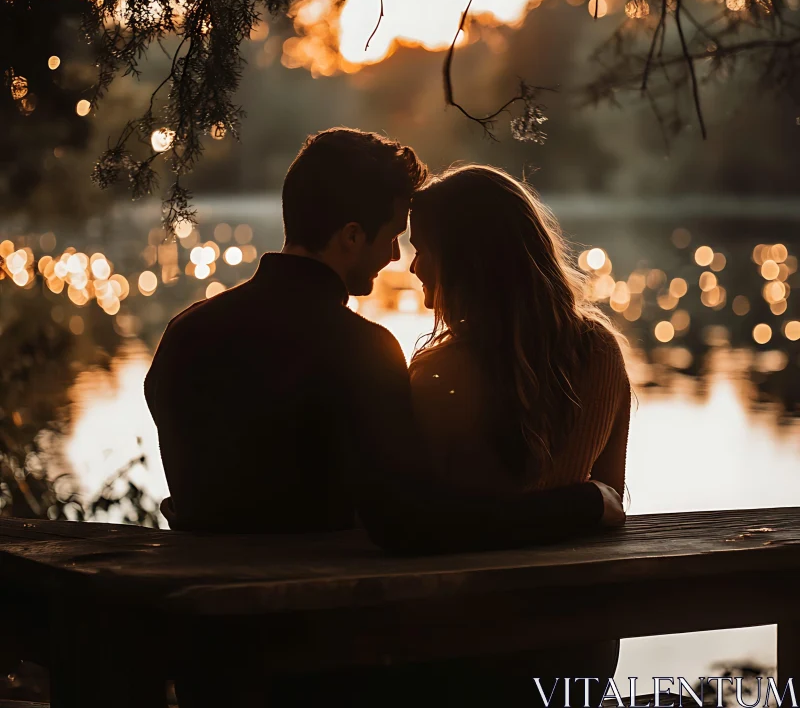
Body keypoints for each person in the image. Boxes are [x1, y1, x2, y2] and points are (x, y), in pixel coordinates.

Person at [147, 128, 625, 551]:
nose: (398, 257)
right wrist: (581, 503)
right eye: (394, 237)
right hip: (319, 623)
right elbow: (415, 523)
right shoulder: (359, 349)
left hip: (201, 628)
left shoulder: (185, 332)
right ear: (352, 236)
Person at [406, 164, 632, 705]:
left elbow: (438, 522)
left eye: (423, 249)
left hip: (473, 643)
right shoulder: (601, 352)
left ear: (466, 259)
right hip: (582, 643)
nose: (413, 266)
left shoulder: (438, 372)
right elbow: (610, 505)